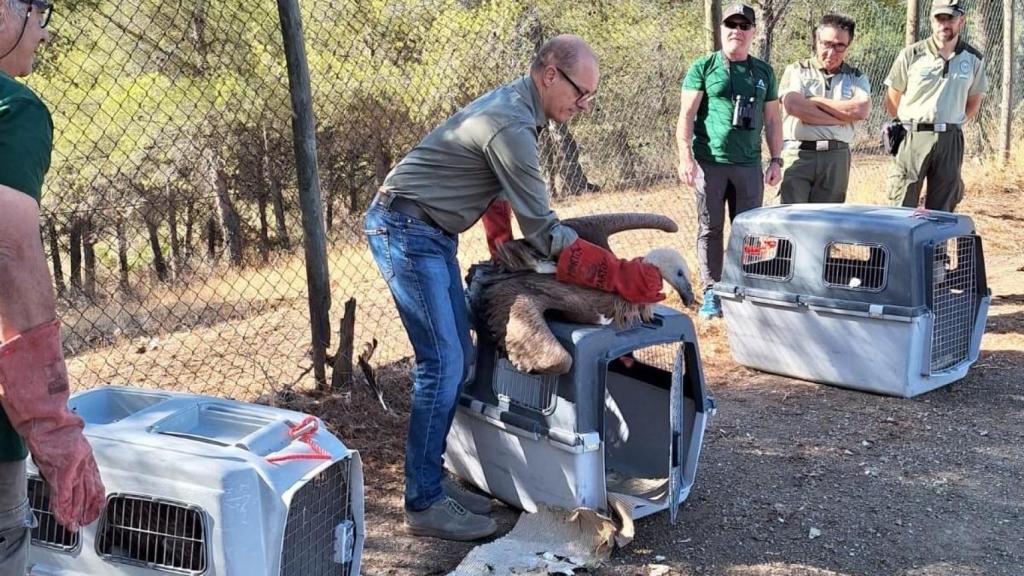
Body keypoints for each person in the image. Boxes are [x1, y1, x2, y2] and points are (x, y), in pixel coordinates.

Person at [364, 34, 666, 541]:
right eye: (581, 92)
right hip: (407, 231)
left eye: (590, 96)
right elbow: (546, 234)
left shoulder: (517, 108)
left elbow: (491, 177)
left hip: (428, 231)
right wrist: (618, 276)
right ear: (550, 75)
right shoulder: (513, 125)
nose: (584, 105)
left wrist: (498, 235)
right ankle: (422, 503)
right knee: (444, 365)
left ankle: (430, 483)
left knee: (457, 356)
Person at [0, 0, 106, 572]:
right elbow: (8, 249)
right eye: (39, 11)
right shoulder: (12, 107)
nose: (42, 32)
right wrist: (50, 425)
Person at [676, 2, 783, 320]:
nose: (737, 30)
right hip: (710, 163)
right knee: (710, 228)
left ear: (753, 31)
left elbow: (774, 119)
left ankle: (744, 288)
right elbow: (686, 113)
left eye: (744, 25)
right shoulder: (704, 67)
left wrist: (776, 159)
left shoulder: (763, 72)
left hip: (749, 165)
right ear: (722, 29)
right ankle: (713, 291)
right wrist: (685, 155)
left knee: (749, 230)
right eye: (731, 24)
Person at [883, 0, 988, 212]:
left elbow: (974, 101)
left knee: (943, 209)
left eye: (950, 18)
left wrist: (953, 122)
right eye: (939, 18)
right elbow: (892, 99)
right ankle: (900, 246)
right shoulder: (911, 55)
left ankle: (936, 247)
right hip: (913, 137)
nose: (944, 24)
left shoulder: (973, 59)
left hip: (950, 139)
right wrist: (910, 124)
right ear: (932, 21)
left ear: (961, 21)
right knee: (901, 204)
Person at [778, 14, 871, 204]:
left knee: (828, 222)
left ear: (848, 46)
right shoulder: (797, 69)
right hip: (799, 154)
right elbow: (794, 105)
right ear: (816, 41)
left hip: (836, 157)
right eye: (826, 44)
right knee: (791, 221)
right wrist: (842, 117)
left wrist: (814, 101)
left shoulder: (856, 76)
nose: (831, 52)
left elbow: (860, 110)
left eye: (839, 46)